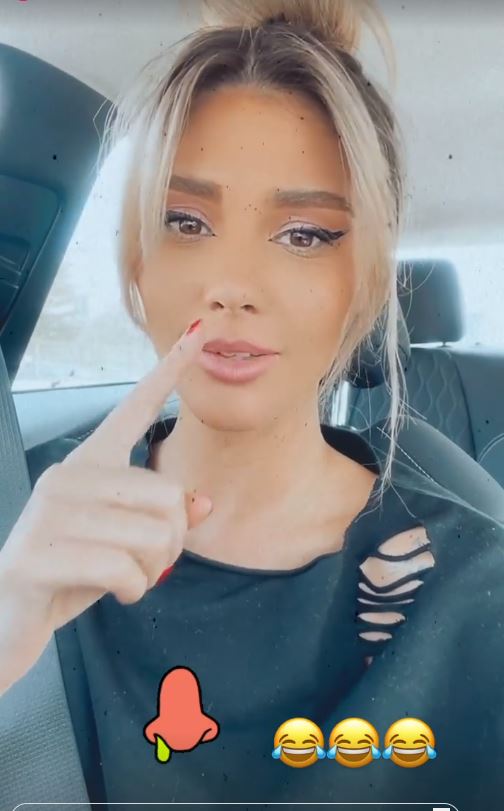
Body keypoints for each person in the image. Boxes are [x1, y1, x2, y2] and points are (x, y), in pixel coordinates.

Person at [0, 0, 503, 808]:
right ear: (137, 260)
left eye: (304, 234)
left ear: (367, 279)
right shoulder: (29, 522)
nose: (232, 285)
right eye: (186, 220)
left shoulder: (478, 590)